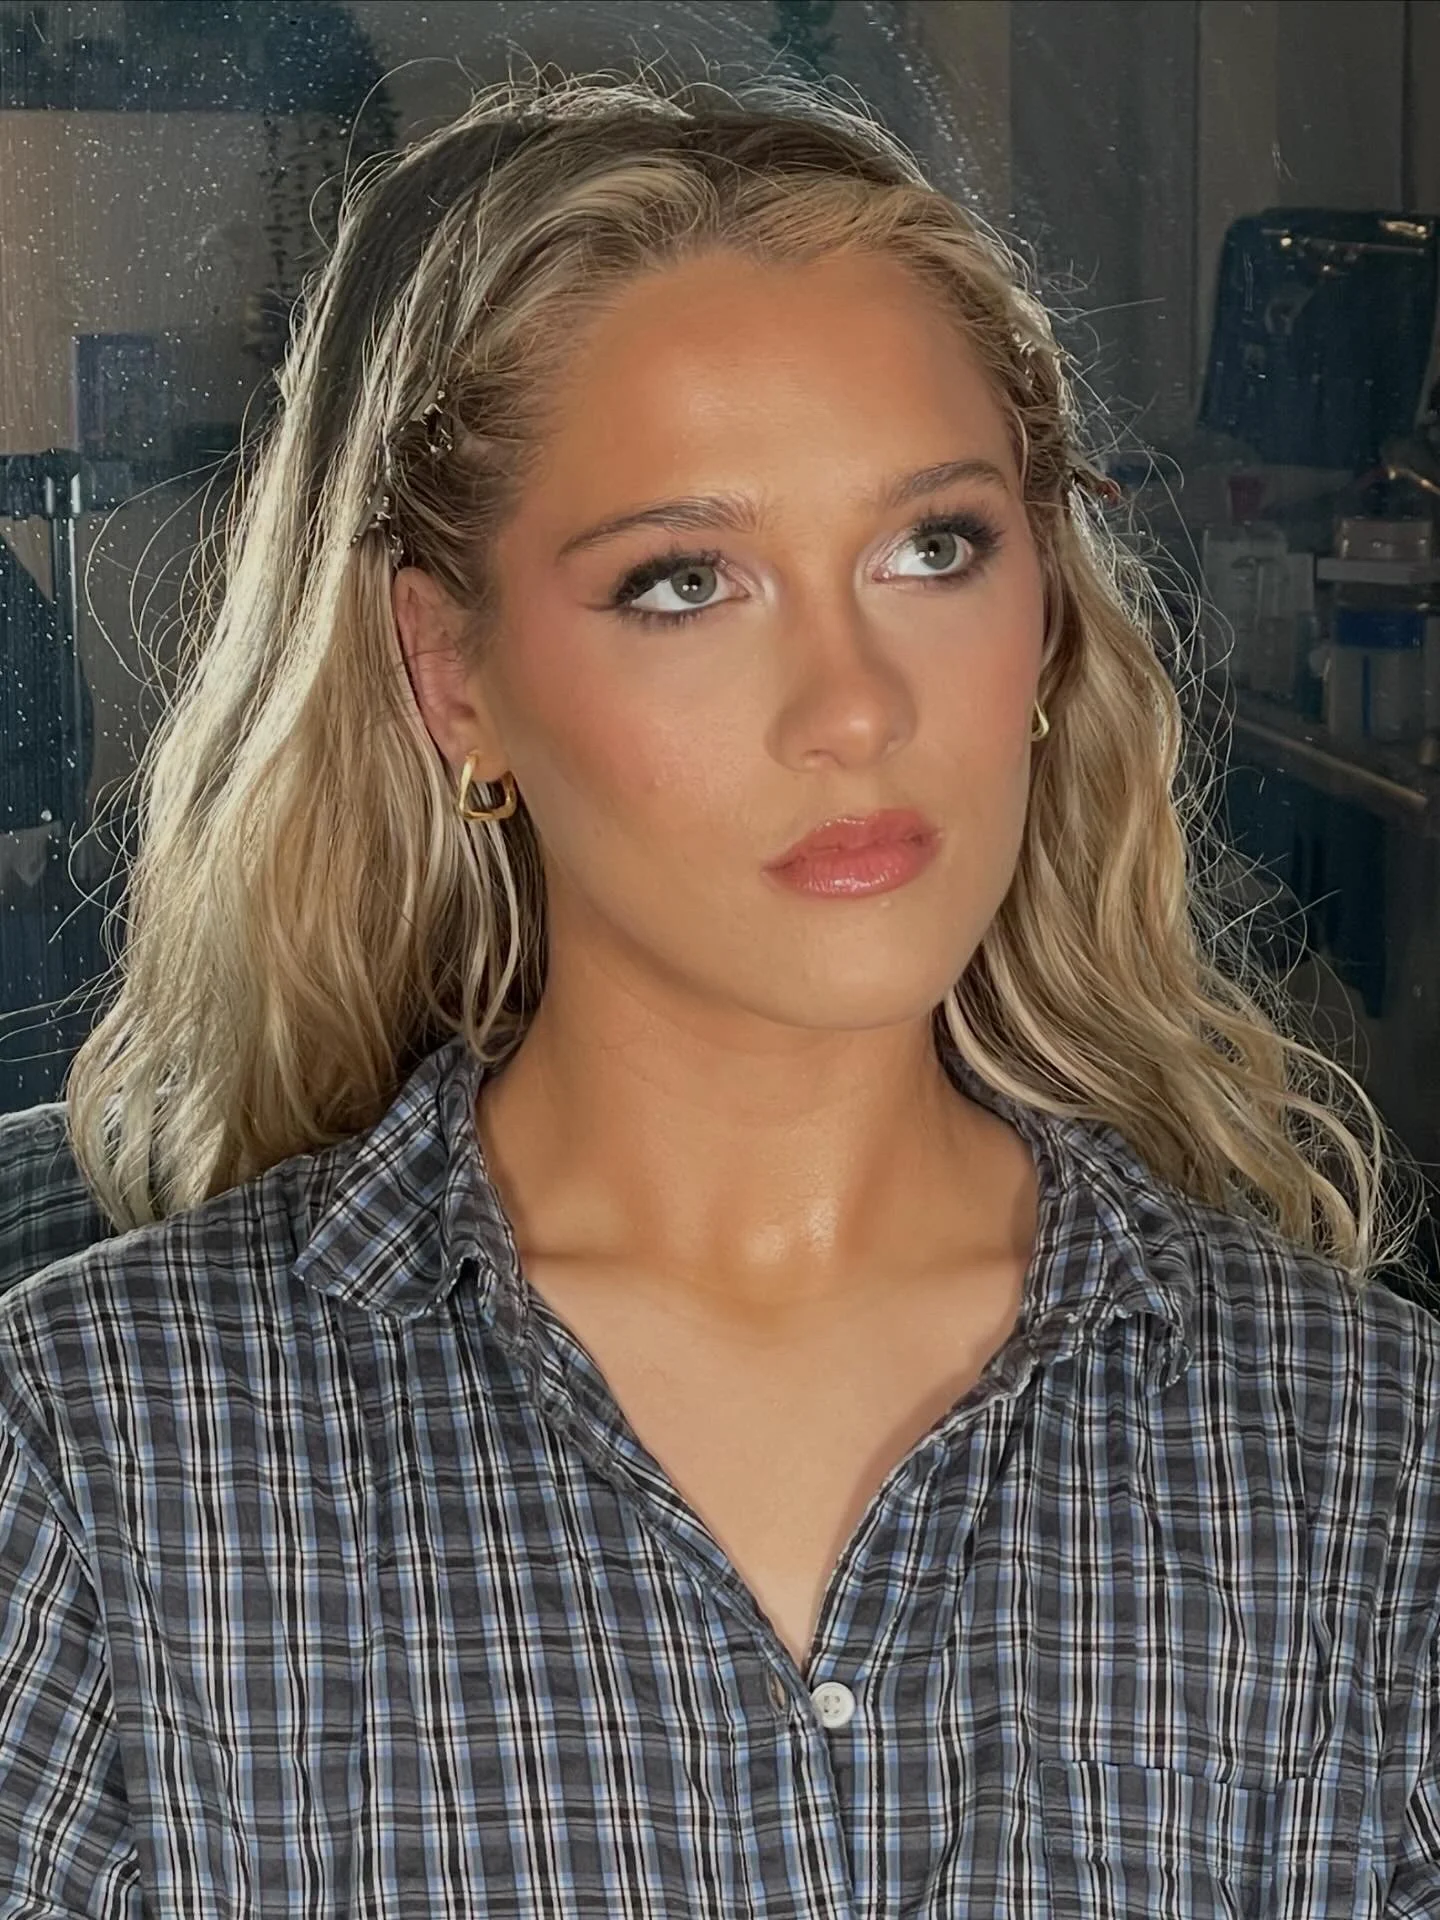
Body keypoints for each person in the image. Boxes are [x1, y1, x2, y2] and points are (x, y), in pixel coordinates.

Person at [0, 64, 1435, 1917]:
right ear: (452, 673)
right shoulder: (100, 1459)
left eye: (935, 548)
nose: (856, 706)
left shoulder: (1374, 1468)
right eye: (685, 582)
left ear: (1050, 614)